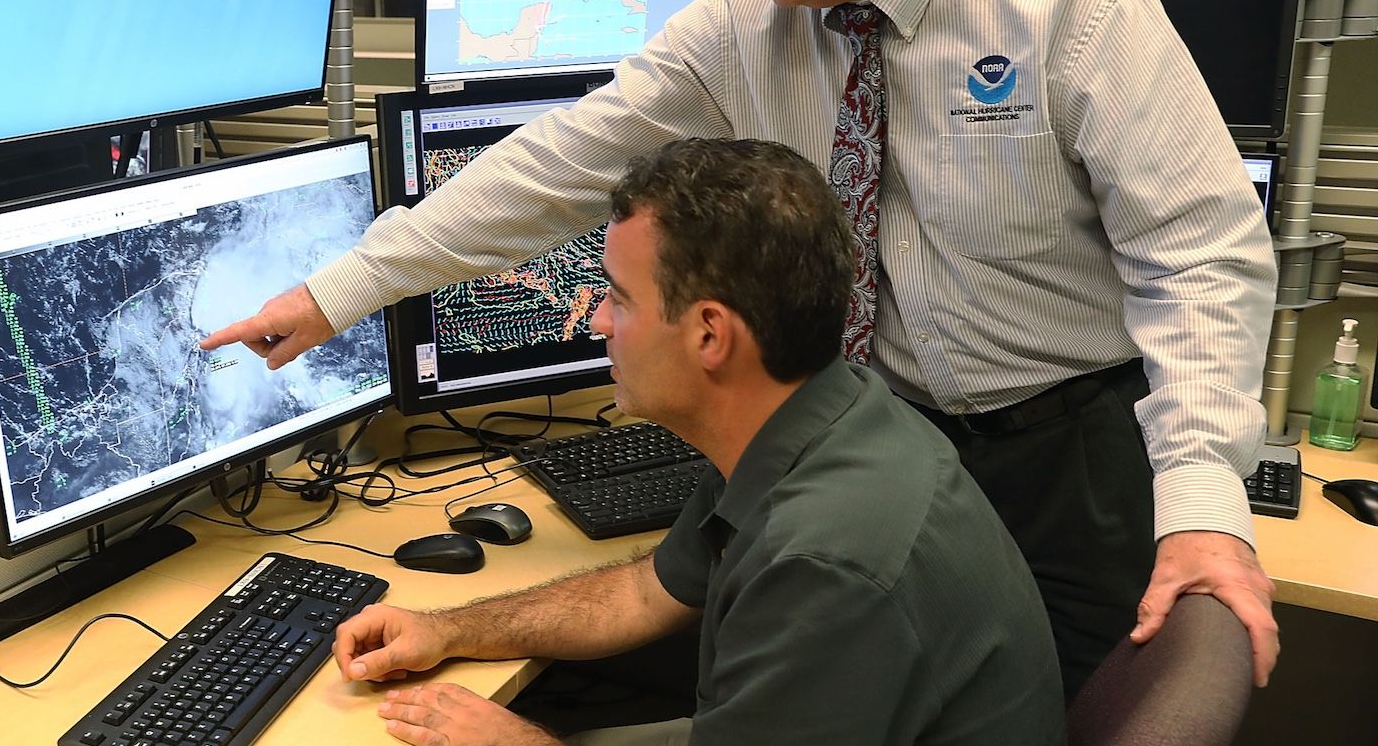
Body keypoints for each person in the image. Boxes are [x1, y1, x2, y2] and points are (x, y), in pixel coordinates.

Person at [205, 0, 1279, 699]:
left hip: (1066, 454)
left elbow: (1199, 257)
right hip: (874, 434)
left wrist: (1200, 505)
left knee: (1056, 716)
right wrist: (340, 289)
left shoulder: (1072, 2)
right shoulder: (744, 24)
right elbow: (559, 162)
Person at [332, 138, 1063, 746]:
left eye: (618, 299)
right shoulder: (818, 418)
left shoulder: (827, 556)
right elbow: (644, 592)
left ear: (710, 333)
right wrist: (446, 629)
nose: (598, 325)